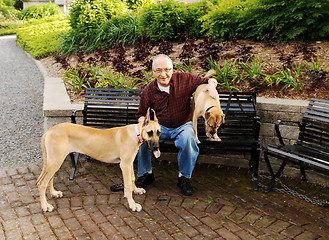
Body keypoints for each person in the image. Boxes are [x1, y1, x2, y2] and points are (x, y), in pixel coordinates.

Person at [111, 54, 218, 196]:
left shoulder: (184, 79)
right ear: (153, 71)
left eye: (167, 69)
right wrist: (144, 127)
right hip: (159, 128)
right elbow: (141, 114)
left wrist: (211, 86)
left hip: (182, 125)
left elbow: (209, 79)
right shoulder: (148, 91)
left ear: (172, 69)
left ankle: (184, 178)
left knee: (189, 139)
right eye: (159, 70)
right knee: (142, 140)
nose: (163, 74)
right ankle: (146, 174)